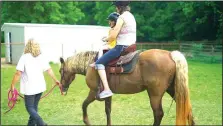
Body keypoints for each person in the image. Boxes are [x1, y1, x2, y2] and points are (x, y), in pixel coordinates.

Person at [10, 38, 61, 126]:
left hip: (30, 88)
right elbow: (49, 70)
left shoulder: (24, 57)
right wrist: (56, 80)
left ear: (28, 46)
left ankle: (41, 123)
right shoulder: (41, 57)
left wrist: (12, 86)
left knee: (30, 108)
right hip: (40, 87)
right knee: (34, 108)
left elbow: (18, 73)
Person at [95, 1, 136, 98]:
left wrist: (106, 39)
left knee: (98, 63)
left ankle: (106, 89)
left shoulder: (121, 18)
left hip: (121, 47)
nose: (116, 9)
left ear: (119, 7)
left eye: (116, 7)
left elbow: (113, 36)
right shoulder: (131, 16)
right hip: (132, 46)